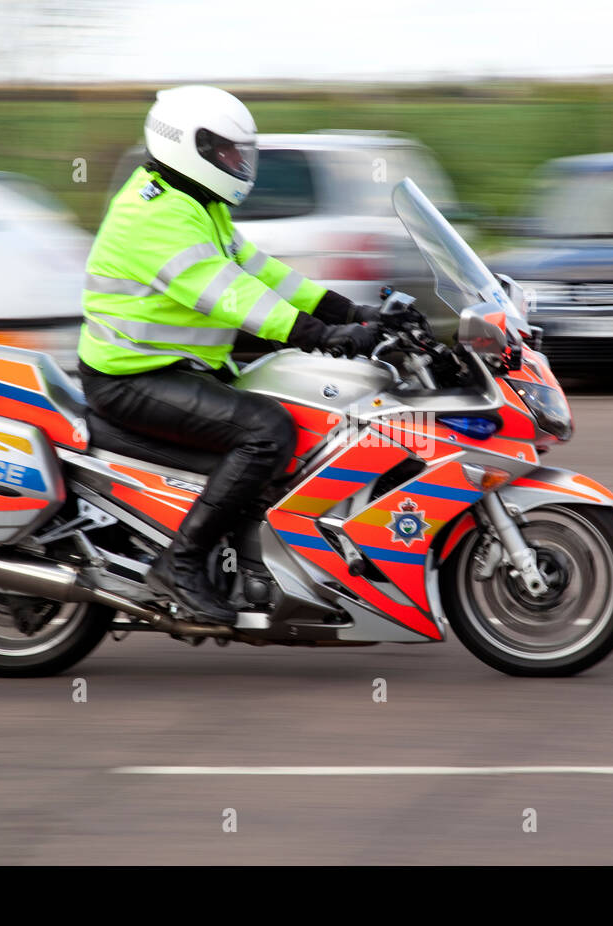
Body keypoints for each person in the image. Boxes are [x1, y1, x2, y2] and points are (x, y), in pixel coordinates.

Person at [77, 85, 381, 624]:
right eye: (228, 152)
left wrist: (349, 312)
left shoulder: (197, 204)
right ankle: (181, 564)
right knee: (268, 430)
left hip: (178, 366)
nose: (239, 164)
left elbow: (263, 273)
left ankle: (258, 557)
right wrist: (319, 334)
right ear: (187, 146)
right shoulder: (152, 215)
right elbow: (232, 296)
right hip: (132, 377)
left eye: (241, 153)